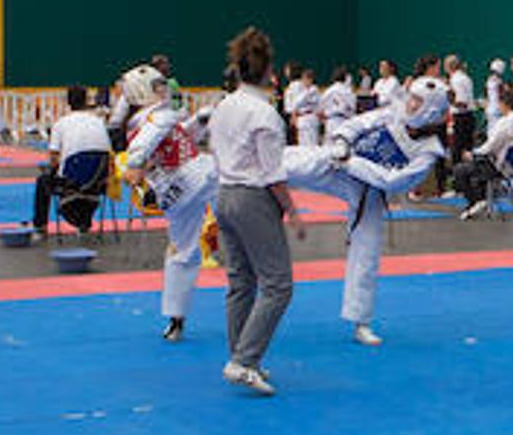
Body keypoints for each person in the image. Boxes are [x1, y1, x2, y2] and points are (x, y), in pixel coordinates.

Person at [285, 98, 448, 345]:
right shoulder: (393, 112)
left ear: (431, 111)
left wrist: (352, 163)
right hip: (337, 162)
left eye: (417, 102)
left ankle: (360, 321)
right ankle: (227, 174)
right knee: (292, 161)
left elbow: (394, 181)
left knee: (367, 252)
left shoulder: (429, 152)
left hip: (368, 188)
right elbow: (358, 124)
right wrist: (342, 142)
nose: (411, 105)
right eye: (412, 98)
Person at [207, 27, 301, 396]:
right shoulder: (264, 114)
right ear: (267, 70)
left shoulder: (223, 107)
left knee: (241, 282)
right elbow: (272, 173)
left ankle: (242, 356)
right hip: (253, 198)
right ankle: (244, 360)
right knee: (279, 285)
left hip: (225, 193)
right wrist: (292, 210)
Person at [125, 80, 219, 344]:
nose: (162, 91)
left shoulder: (156, 118)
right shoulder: (154, 118)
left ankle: (176, 319)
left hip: (175, 191)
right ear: (142, 92)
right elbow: (150, 137)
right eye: (156, 87)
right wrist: (135, 161)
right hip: (194, 174)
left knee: (182, 251)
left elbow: (179, 136)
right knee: (247, 176)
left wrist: (200, 121)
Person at [34, 85, 114, 233]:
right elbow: (107, 154)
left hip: (72, 179)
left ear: (68, 103)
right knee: (87, 170)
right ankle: (84, 221)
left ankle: (40, 225)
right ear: (86, 101)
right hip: (98, 180)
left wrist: (51, 169)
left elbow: (53, 158)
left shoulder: (61, 123)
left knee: (42, 180)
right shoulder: (98, 122)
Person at [456, 99, 513, 219]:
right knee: (478, 163)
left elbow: (490, 146)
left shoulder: (505, 122)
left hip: (500, 166)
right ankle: (482, 195)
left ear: (505, 105)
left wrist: (472, 153)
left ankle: (477, 200)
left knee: (460, 169)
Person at [286, 66, 322, 146]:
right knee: (302, 146)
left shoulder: (314, 89)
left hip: (310, 117)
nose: (304, 81)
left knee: (312, 145)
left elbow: (297, 103)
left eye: (306, 79)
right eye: (303, 79)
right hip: (302, 119)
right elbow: (294, 105)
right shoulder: (302, 89)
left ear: (311, 79)